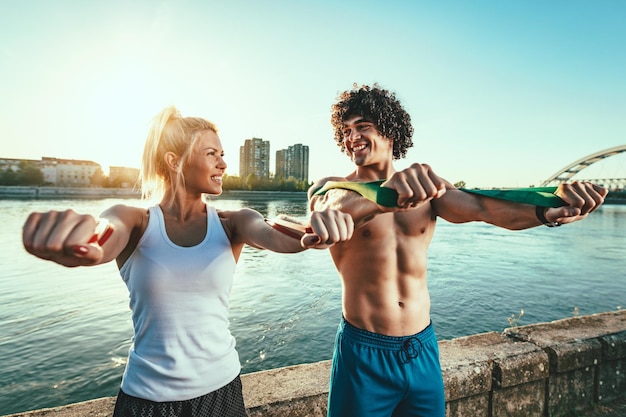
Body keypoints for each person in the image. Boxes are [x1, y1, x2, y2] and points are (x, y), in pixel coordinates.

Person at [22, 106, 354, 417]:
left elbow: (278, 236)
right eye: (212, 154)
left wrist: (317, 229)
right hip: (145, 399)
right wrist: (81, 242)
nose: (223, 165)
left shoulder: (233, 221)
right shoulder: (134, 220)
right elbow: (104, 236)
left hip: (222, 394)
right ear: (174, 160)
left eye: (223, 155)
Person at [308, 84, 607, 417]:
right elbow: (329, 208)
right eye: (346, 131)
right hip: (365, 353)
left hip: (421, 349)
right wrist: (385, 197)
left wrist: (547, 212)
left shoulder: (428, 191)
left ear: (389, 130)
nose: (352, 137)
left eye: (362, 126)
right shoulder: (334, 187)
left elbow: (483, 207)